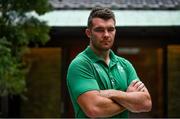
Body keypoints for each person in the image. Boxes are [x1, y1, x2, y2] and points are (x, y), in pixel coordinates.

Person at [67, 7, 152, 118]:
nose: (106, 35)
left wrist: (112, 93)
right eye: (100, 30)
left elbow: (146, 103)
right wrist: (129, 99)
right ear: (88, 33)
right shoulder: (81, 64)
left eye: (110, 29)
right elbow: (94, 109)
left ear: (115, 31)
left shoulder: (125, 65)